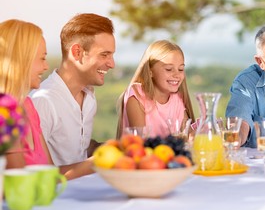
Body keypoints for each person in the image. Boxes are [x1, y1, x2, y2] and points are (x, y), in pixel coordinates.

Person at [0, 19, 94, 179]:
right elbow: (18, 186)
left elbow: (49, 175)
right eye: (42, 58)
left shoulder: (27, 107)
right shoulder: (5, 113)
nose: (46, 67)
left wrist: (98, 162)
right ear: (22, 60)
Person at [31, 13, 116, 167]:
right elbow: (40, 175)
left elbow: (77, 150)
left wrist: (113, 148)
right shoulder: (42, 102)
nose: (112, 64)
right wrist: (98, 163)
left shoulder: (89, 97)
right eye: (104, 55)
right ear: (77, 52)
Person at [116, 40, 195, 139]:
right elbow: (142, 141)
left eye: (181, 69)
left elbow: (189, 133)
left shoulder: (177, 98)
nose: (177, 75)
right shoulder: (136, 94)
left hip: (167, 154)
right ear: (150, 71)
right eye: (169, 69)